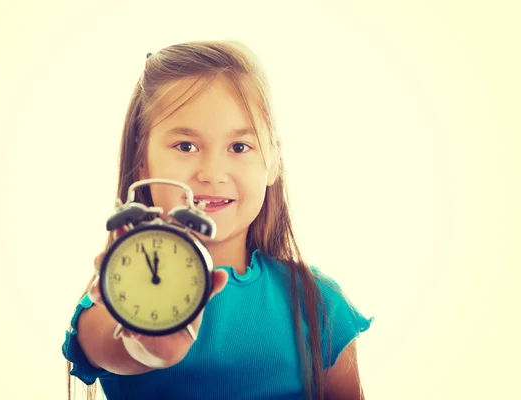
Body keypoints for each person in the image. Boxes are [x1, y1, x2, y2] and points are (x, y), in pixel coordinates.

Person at [62, 40, 373, 400]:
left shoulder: (318, 301)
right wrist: (148, 346)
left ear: (272, 161)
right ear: (142, 160)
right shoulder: (112, 294)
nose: (212, 173)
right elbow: (112, 346)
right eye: (186, 146)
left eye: (239, 147)